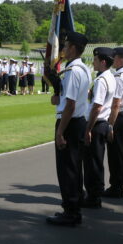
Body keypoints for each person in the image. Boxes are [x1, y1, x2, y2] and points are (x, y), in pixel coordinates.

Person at [46, 32, 91, 227]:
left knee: (67, 169)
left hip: (70, 123)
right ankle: (74, 207)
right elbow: (68, 99)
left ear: (73, 48)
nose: (62, 49)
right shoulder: (84, 69)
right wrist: (58, 94)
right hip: (77, 121)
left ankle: (71, 211)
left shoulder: (73, 71)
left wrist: (59, 132)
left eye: (65, 46)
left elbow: (70, 105)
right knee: (74, 167)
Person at [81, 47, 116, 208]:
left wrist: (88, 128)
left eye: (95, 60)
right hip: (103, 123)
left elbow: (97, 107)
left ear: (103, 61)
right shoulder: (110, 77)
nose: (93, 62)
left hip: (96, 124)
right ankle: (96, 192)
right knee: (96, 160)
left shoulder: (101, 80)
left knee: (91, 163)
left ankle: (93, 196)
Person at [103, 47, 123, 199]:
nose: (112, 60)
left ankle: (116, 186)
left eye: (114, 58)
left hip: (118, 114)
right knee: (120, 151)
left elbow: (116, 103)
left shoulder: (120, 76)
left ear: (121, 59)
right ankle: (118, 184)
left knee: (115, 152)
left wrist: (110, 125)